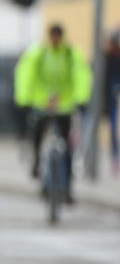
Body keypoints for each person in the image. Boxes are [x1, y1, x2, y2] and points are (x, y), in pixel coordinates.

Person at [14, 23, 93, 203]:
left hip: (64, 104)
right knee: (37, 136)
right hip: (41, 102)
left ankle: (68, 189)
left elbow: (81, 74)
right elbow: (26, 72)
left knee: (67, 148)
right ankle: (37, 165)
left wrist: (81, 97)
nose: (55, 40)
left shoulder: (70, 53)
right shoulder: (39, 52)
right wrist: (23, 98)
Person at [103, 31, 120, 176]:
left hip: (115, 101)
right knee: (113, 131)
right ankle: (115, 159)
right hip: (109, 102)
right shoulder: (104, 59)